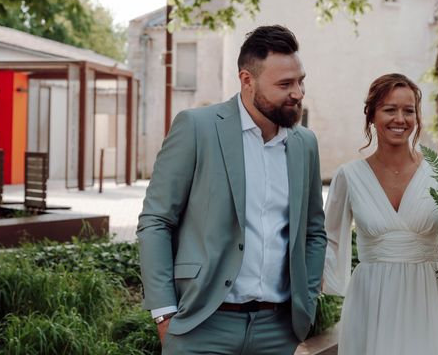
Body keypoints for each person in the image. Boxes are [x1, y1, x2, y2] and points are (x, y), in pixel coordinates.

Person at [137, 25, 327, 355]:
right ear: (247, 80)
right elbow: (156, 221)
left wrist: (305, 304)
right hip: (202, 325)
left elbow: (313, 232)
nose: (297, 92)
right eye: (284, 84)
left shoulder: (305, 144)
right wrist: (163, 312)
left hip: (277, 330)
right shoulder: (197, 128)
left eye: (300, 81)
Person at [322, 73, 438, 354]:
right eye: (390, 109)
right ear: (371, 115)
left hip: (426, 296)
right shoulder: (349, 176)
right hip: (371, 298)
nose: (400, 119)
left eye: (409, 111)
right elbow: (329, 239)